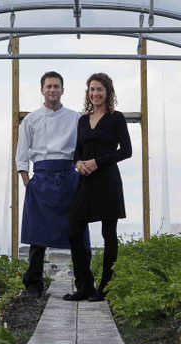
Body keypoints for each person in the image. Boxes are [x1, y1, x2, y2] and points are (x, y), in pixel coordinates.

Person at [16, 71, 90, 298]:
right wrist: (29, 184)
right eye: (48, 86)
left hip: (69, 178)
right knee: (37, 236)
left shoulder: (76, 118)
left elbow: (84, 149)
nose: (52, 90)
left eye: (56, 86)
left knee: (77, 233)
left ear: (62, 90)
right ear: (42, 90)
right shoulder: (31, 119)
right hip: (41, 179)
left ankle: (84, 284)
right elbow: (21, 154)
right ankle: (33, 284)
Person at [63, 73, 132, 302]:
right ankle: (85, 286)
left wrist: (97, 162)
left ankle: (105, 287)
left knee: (108, 234)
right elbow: (77, 150)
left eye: (100, 89)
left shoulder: (116, 118)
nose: (95, 94)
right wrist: (78, 163)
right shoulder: (83, 120)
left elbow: (126, 151)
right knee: (74, 229)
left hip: (108, 182)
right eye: (92, 89)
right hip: (85, 182)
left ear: (108, 92)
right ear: (88, 93)